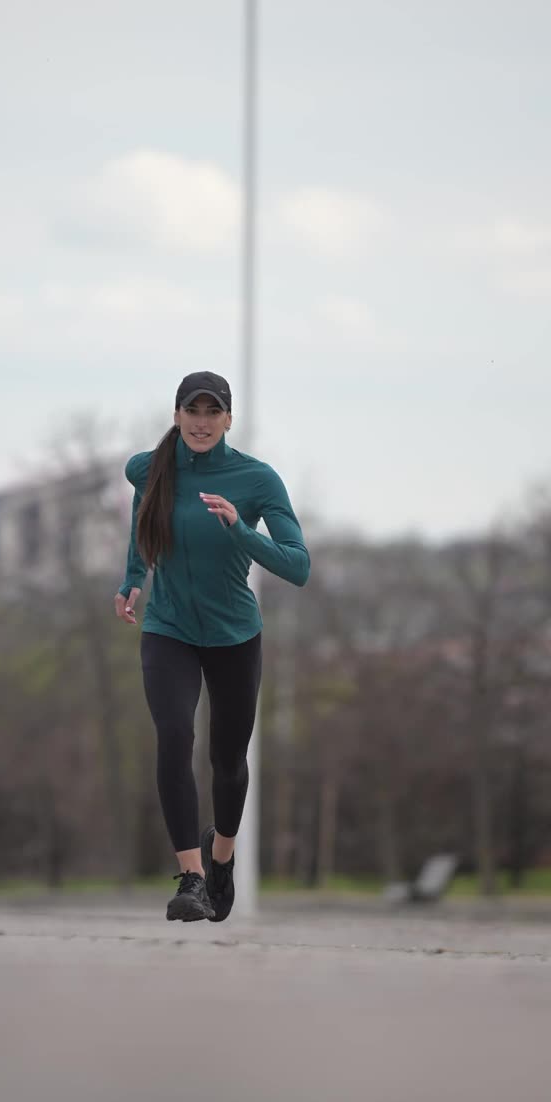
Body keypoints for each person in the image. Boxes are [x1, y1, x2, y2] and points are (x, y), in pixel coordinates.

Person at [115, 371, 310, 923]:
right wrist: (133, 576)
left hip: (234, 635)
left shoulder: (256, 479)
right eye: (192, 411)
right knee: (174, 736)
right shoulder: (148, 468)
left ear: (229, 419)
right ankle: (193, 878)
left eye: (212, 412)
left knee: (228, 760)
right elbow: (143, 515)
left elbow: (297, 566)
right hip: (169, 627)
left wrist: (239, 531)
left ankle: (220, 859)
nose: (201, 422)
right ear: (177, 415)